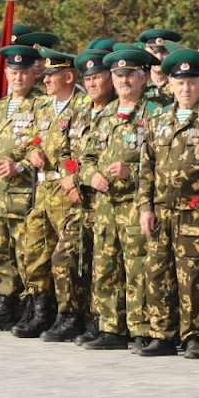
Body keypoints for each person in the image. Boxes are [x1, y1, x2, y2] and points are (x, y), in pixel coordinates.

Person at [137, 50, 199, 359]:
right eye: (180, 83)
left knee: (195, 276)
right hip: (161, 212)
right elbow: (146, 167)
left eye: (191, 82)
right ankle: (162, 334)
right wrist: (145, 207)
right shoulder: (157, 119)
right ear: (170, 85)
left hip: (196, 212)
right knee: (158, 273)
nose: (186, 89)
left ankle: (194, 336)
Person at [78, 48, 163, 351]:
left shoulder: (155, 114)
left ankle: (140, 328)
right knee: (105, 265)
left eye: (130, 75)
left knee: (138, 267)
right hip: (105, 206)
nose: (124, 80)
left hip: (136, 204)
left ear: (143, 78)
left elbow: (164, 162)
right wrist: (91, 176)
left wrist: (132, 171)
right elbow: (85, 158)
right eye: (118, 75)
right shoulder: (103, 116)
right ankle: (111, 327)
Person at [0, 43, 44, 331]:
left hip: (26, 195)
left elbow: (44, 147)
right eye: (13, 72)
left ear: (33, 73)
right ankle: (4, 304)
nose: (18, 78)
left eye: (24, 72)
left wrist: (20, 165)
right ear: (6, 73)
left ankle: (31, 307)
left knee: (28, 254)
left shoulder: (41, 105)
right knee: (0, 252)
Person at [48, 49, 116, 344]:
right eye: (88, 79)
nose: (92, 84)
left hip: (106, 200)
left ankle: (99, 319)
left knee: (102, 263)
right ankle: (69, 314)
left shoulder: (118, 112)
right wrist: (69, 179)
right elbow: (64, 152)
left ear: (110, 79)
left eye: (97, 78)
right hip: (78, 200)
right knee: (65, 256)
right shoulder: (79, 112)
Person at [17, 49, 86, 339]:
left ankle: (69, 314)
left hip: (67, 190)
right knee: (34, 250)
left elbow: (83, 149)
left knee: (66, 257)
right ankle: (41, 311)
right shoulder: (44, 107)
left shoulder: (83, 105)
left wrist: (72, 175)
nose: (44, 80)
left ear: (68, 77)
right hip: (43, 190)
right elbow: (31, 139)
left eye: (51, 75)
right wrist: (32, 151)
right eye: (44, 75)